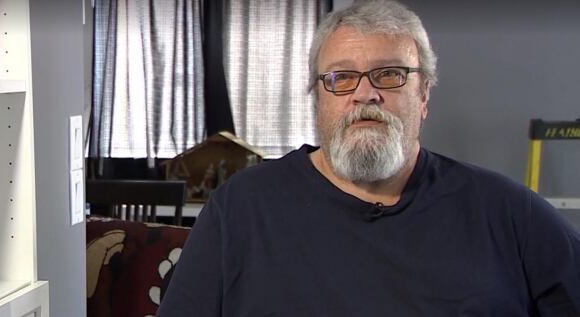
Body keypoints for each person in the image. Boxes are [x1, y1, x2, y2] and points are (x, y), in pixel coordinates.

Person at [157, 0, 580, 316]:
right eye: (341, 78)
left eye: (390, 75)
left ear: (424, 95)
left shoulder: (511, 214)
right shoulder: (239, 211)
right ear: (318, 99)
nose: (365, 93)